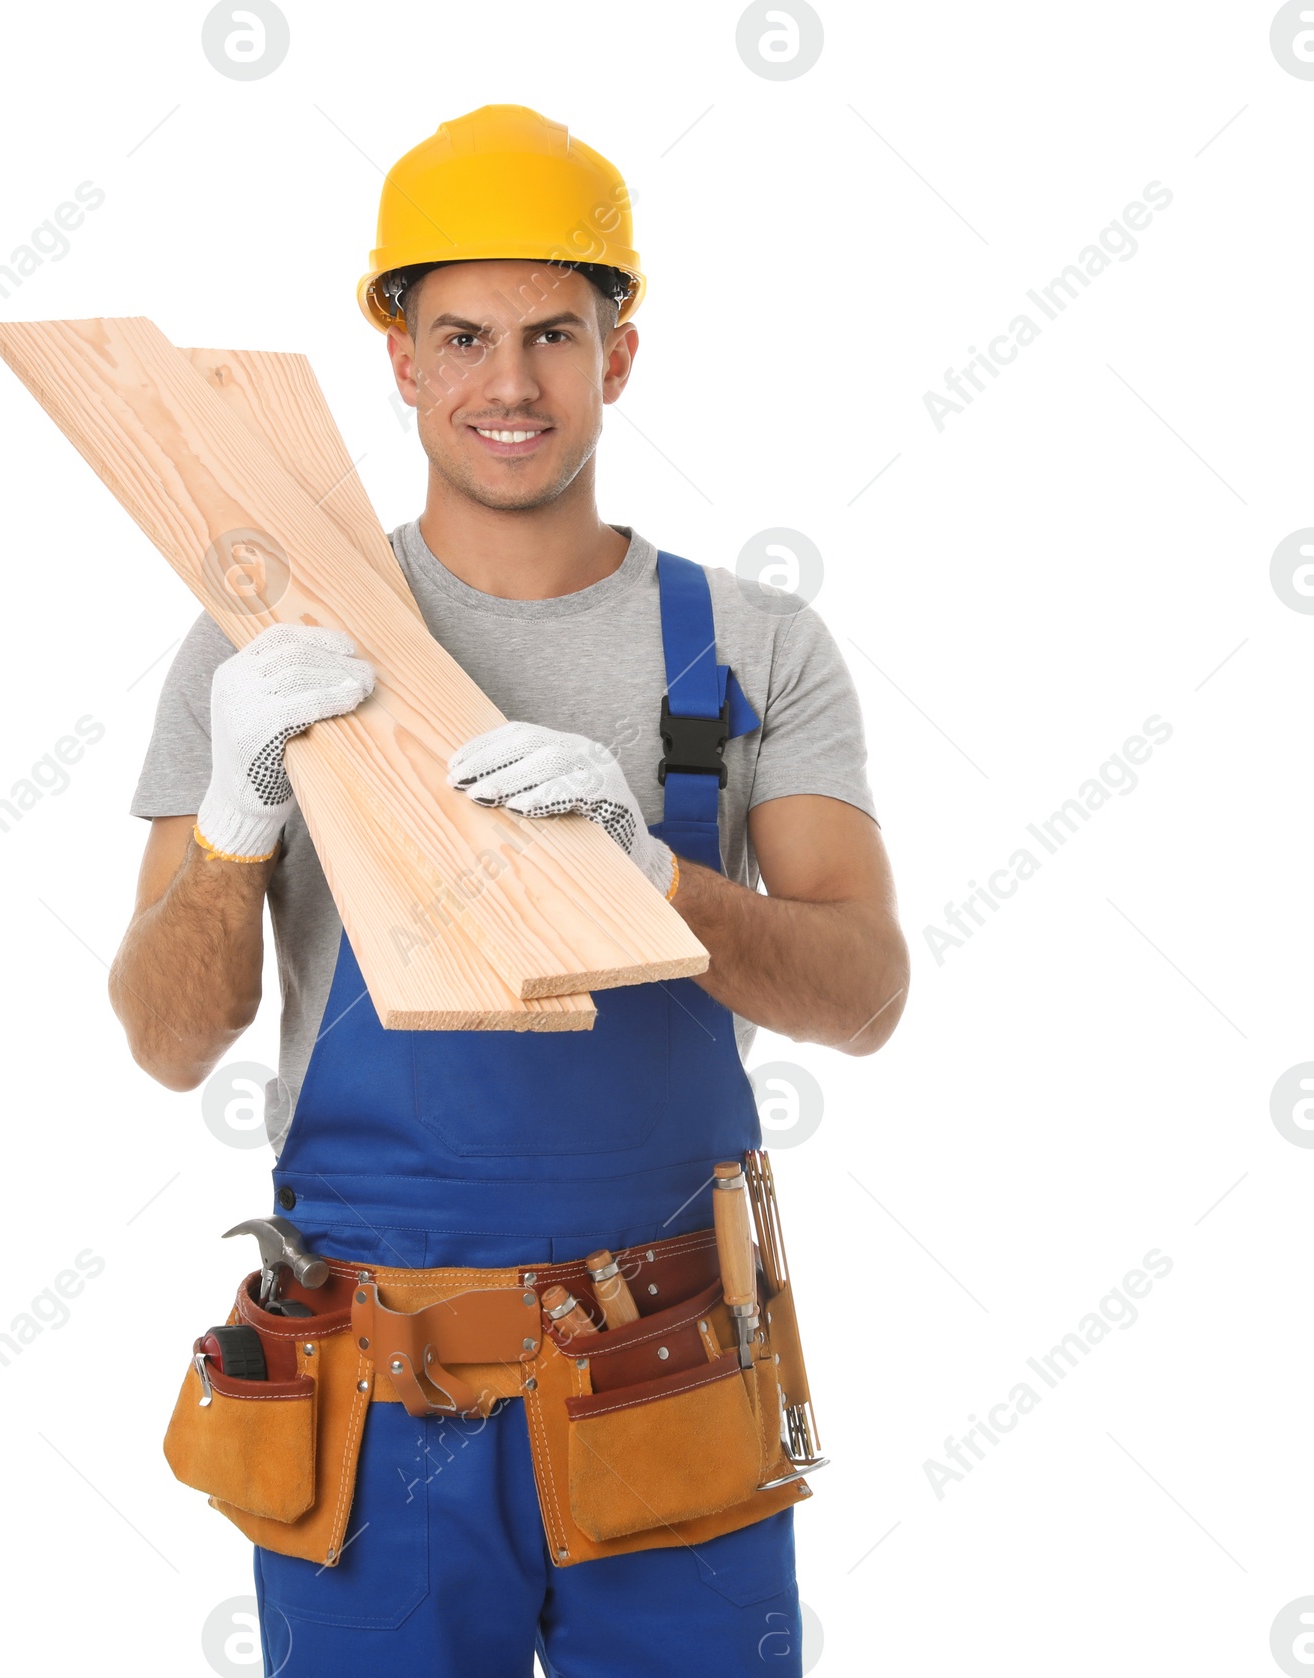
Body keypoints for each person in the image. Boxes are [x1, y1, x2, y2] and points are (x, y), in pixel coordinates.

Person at [113, 103, 908, 1678]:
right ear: (399, 357)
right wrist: (233, 813)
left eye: (556, 332)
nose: (510, 385)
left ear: (620, 353)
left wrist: (656, 880)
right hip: (370, 1396)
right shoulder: (257, 647)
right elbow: (165, 1034)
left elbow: (864, 991)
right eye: (463, 334)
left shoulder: (752, 647)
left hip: (674, 1386)